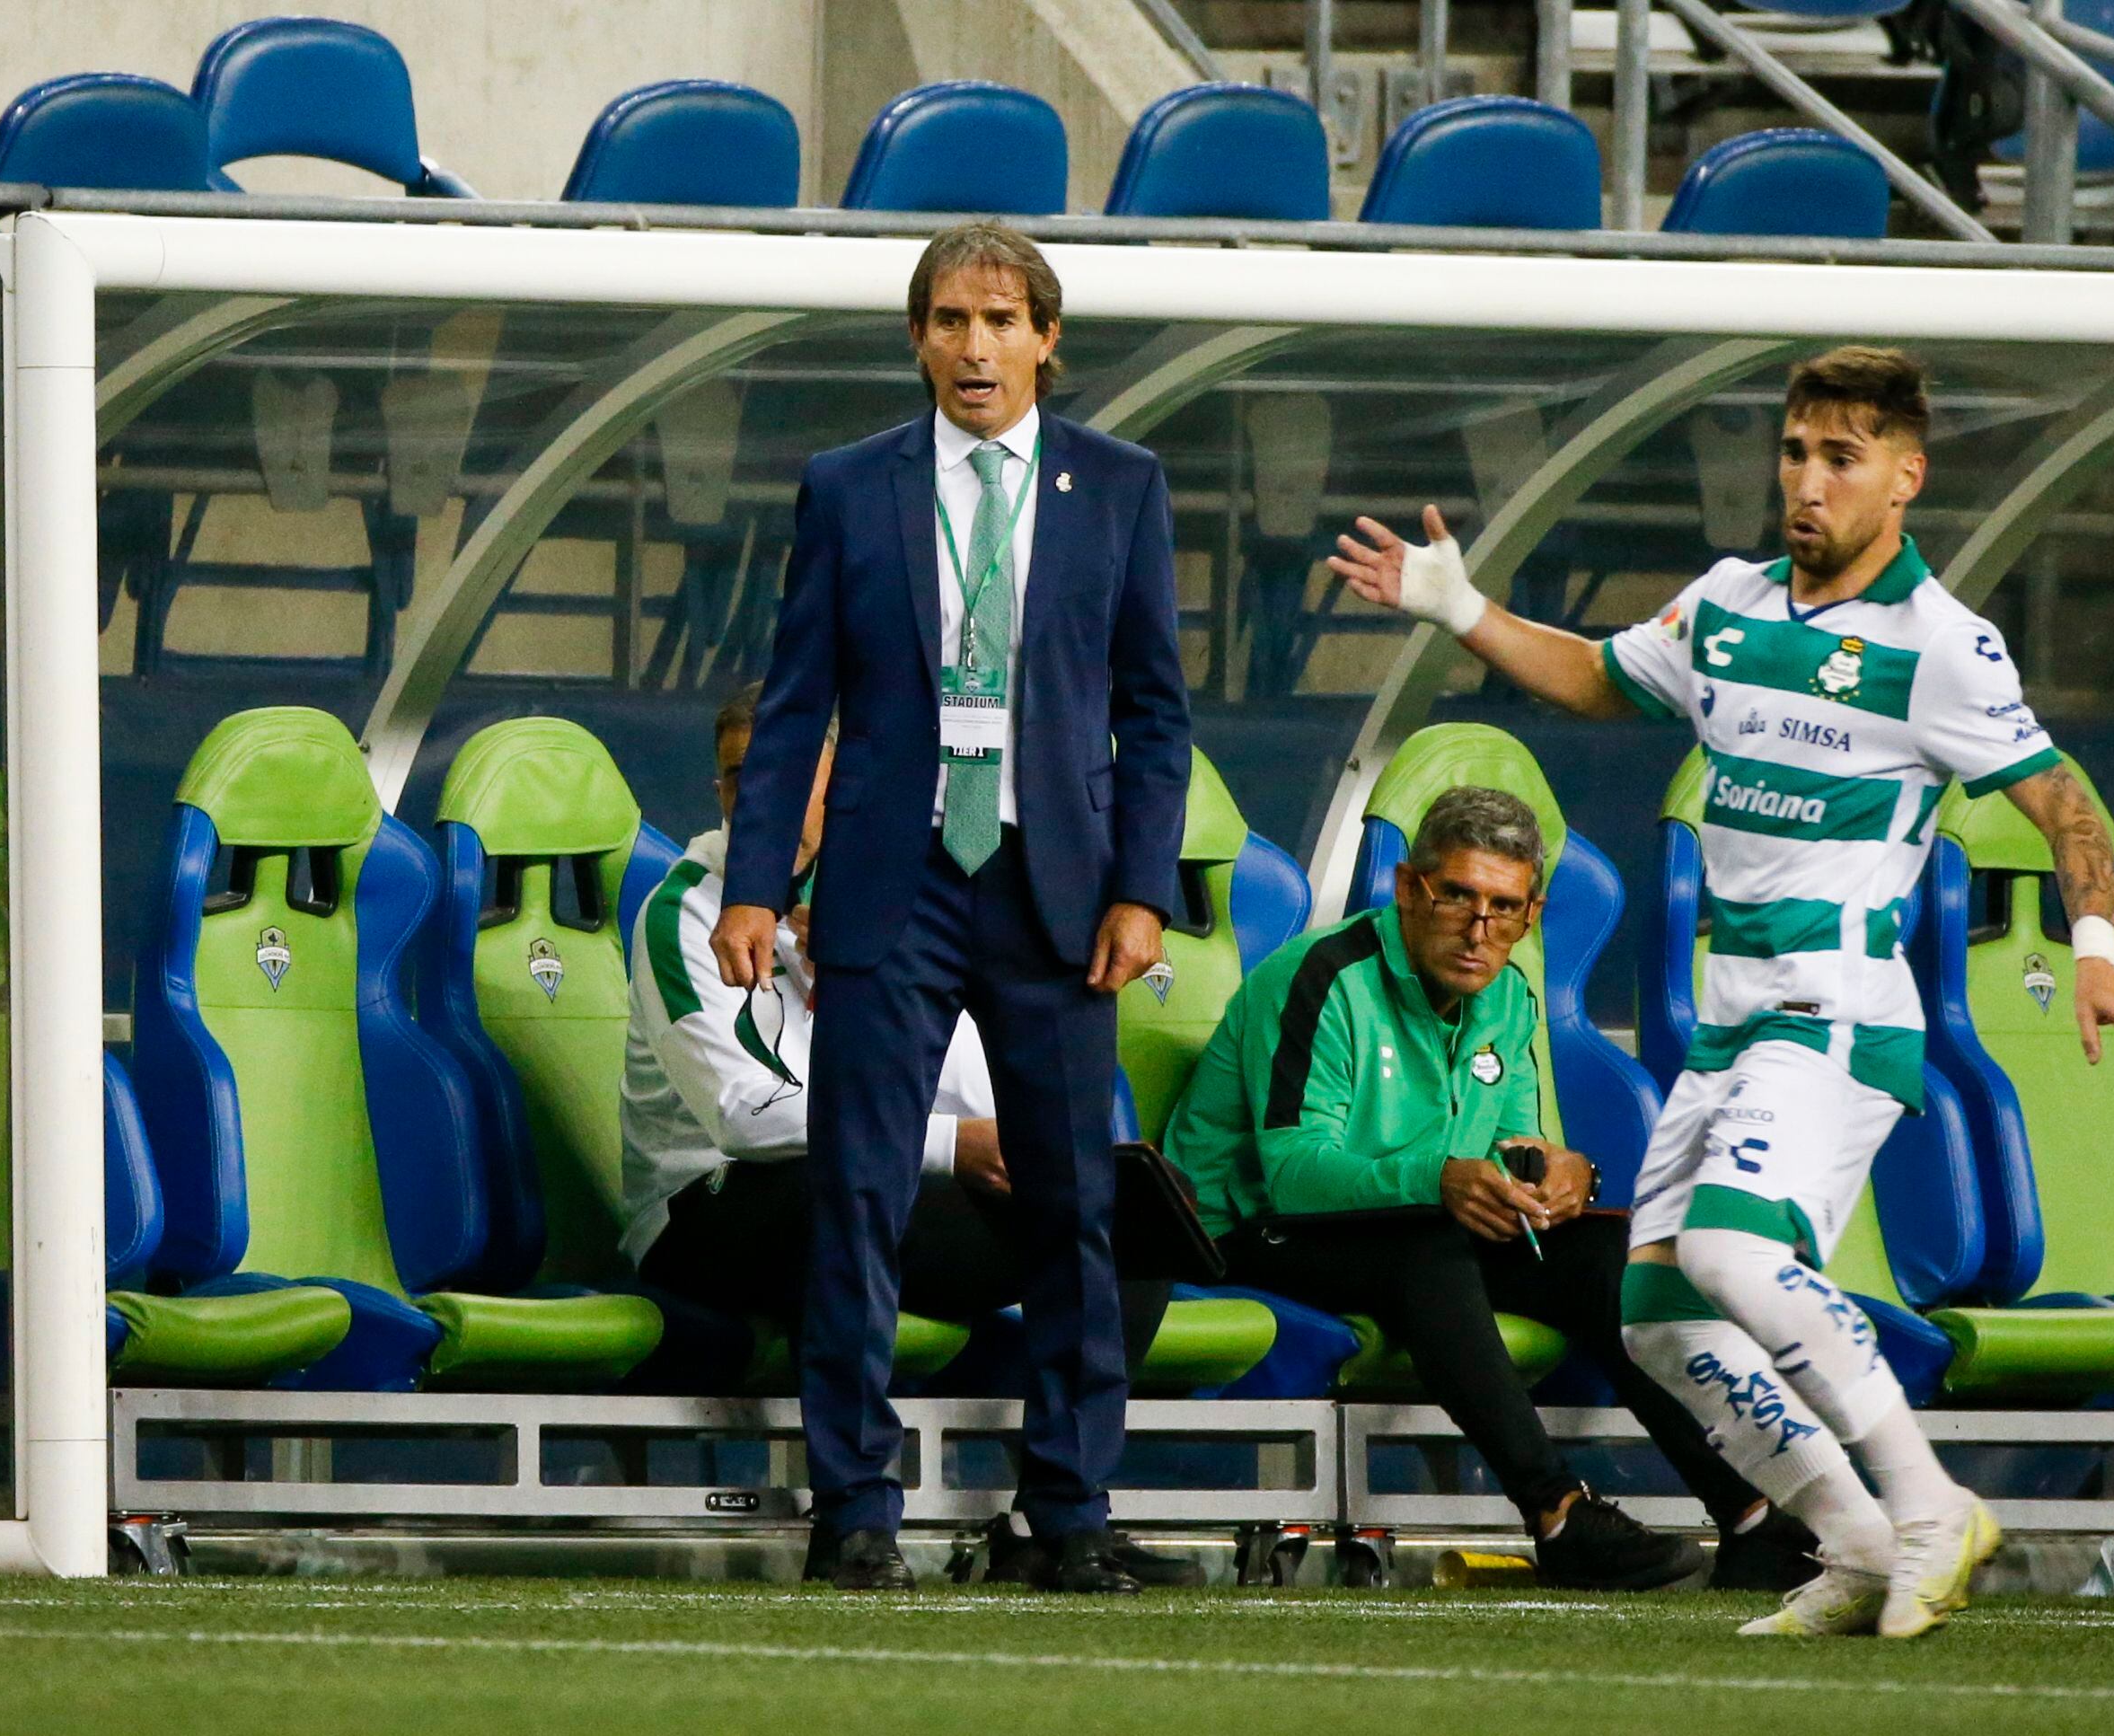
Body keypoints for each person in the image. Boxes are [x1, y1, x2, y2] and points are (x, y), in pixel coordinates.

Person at [1329, 346, 2114, 1638]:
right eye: (1792, 451)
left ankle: (1931, 1504)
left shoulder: (1939, 646)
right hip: (1727, 1021)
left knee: (1731, 1254)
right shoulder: (1727, 603)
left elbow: (2063, 805)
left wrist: (2097, 955)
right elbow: (1595, 678)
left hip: (1834, 1009)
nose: (1805, 480)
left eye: (1839, 457)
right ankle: (1847, 1542)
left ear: (1903, 477)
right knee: (1658, 1320)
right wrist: (1458, 607)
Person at [711, 222, 1192, 1594]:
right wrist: (758, 883)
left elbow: (1153, 713)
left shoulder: (1119, 484)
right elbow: (796, 695)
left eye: (997, 320)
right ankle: (854, 1506)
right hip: (890, 878)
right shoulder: (848, 486)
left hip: (1052, 888)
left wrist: (1140, 892)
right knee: (856, 1196)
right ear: (915, 338)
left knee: (1070, 1209)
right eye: (945, 320)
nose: (971, 346)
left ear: (1047, 337)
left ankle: (1069, 1512)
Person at [1164, 786, 1819, 1593]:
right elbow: (1293, 1172)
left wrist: (1561, 1174)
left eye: (1504, 908)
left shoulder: (1506, 996)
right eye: (1459, 898)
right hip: (1250, 1229)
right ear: (1409, 888)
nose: (1480, 931)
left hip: (1414, 1221)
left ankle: (1751, 1514)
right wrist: (1438, 1179)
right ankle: (1556, 1513)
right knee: (1428, 1244)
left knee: (1611, 1253)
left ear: (1530, 914)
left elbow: (1511, 1147)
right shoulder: (1319, 976)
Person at [621, 683, 1188, 1588]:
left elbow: (970, 1082)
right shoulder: (689, 908)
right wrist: (947, 1146)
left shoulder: (894, 895)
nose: (757, 797)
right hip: (709, 1210)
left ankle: (1051, 1519)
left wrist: (864, 973)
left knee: (1117, 1228)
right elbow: (741, 1115)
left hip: (874, 1181)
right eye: (739, 777)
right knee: (849, 1192)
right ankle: (853, 1520)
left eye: (787, 774)